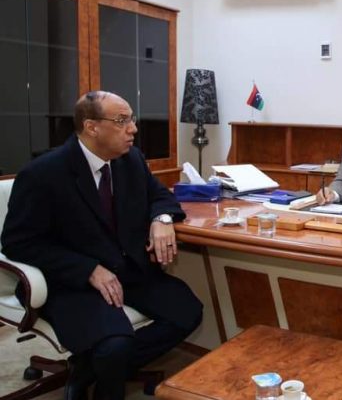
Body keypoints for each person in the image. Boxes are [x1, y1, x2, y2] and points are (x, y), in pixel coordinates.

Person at [1, 91, 203, 400]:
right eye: (122, 121)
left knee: (187, 312)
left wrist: (161, 218)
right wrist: (88, 270)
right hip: (70, 282)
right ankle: (105, 373)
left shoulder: (130, 160)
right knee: (114, 345)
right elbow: (18, 242)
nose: (133, 128)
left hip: (126, 270)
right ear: (91, 127)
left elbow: (161, 195)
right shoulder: (43, 174)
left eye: (131, 119)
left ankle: (88, 369)